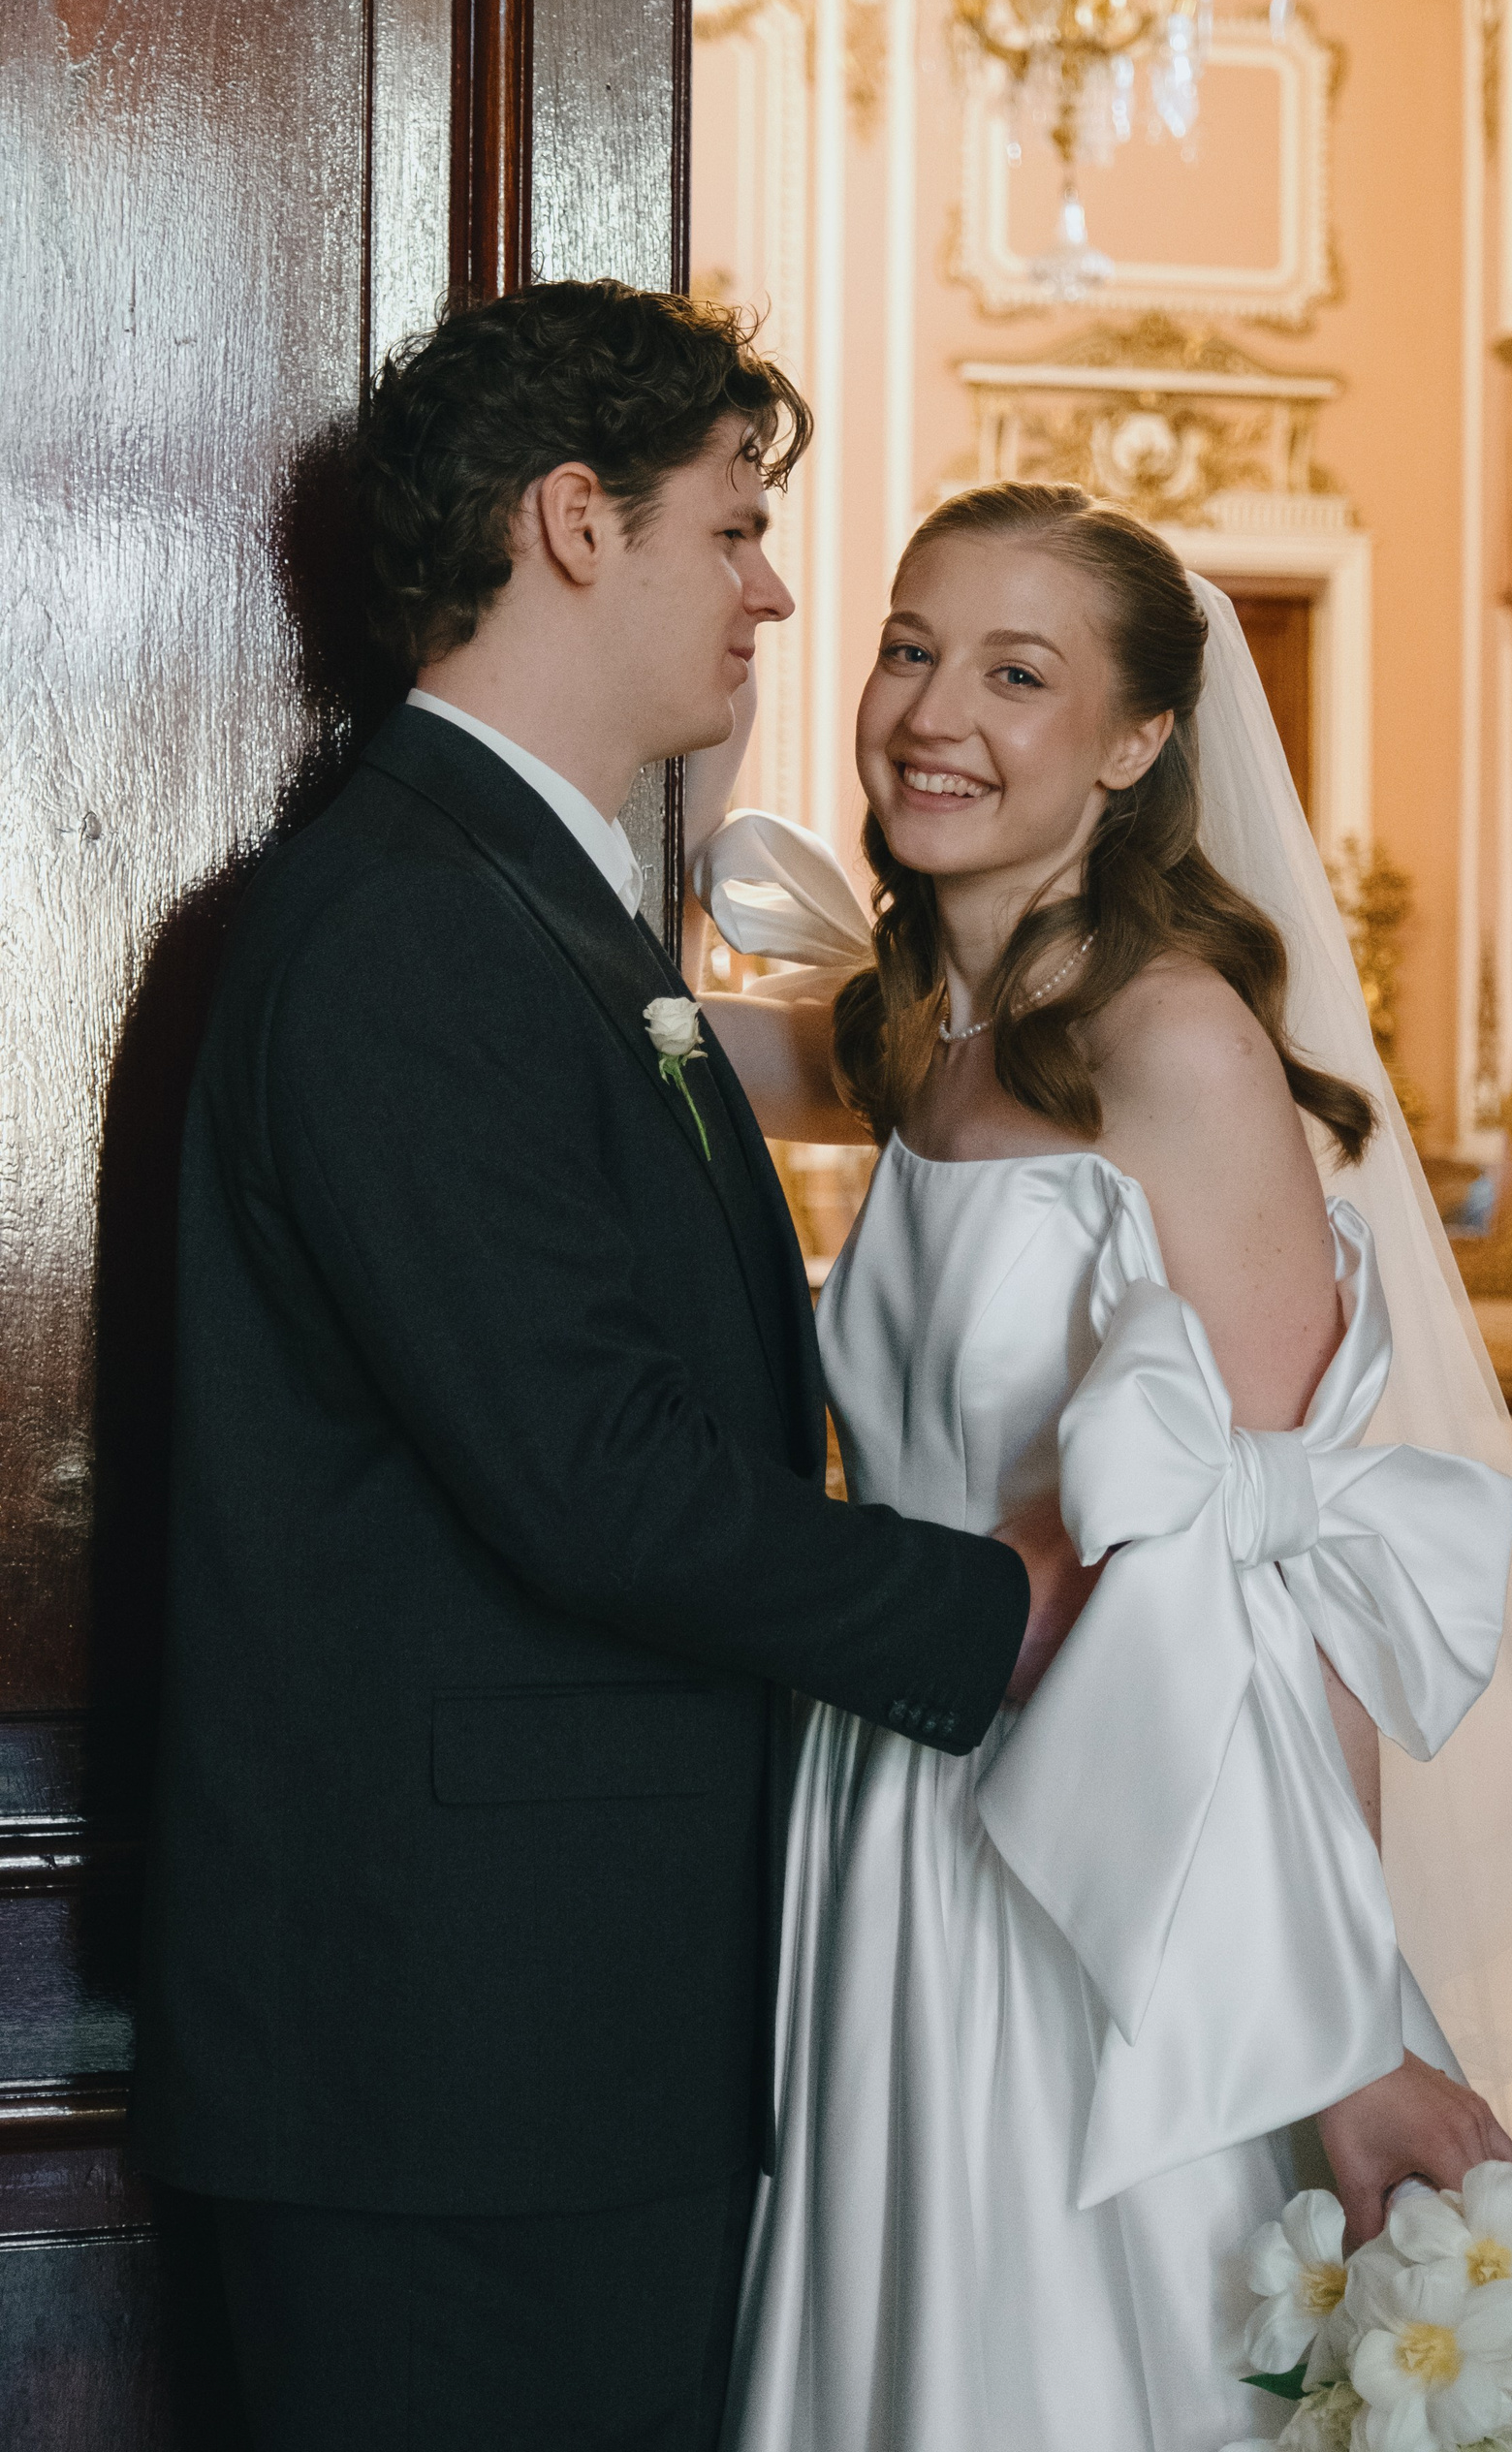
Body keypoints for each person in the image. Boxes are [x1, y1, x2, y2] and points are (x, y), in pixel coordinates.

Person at [689, 485, 1512, 2452]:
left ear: (1137, 741)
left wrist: (1342, 2022)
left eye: (1020, 673)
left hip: (1107, 1837)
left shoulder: (1176, 1046)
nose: (934, 710)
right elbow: (652, 1042)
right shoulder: (921, 1032)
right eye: (912, 647)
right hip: (884, 1806)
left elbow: (1291, 1576)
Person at [132, 287, 1097, 2452]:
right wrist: (998, 1608)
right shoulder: (410, 925)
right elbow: (595, 1475)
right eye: (733, 526)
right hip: (450, 2059)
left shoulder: (521, 906)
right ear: (577, 521)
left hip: (539, 2032)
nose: (772, 593)